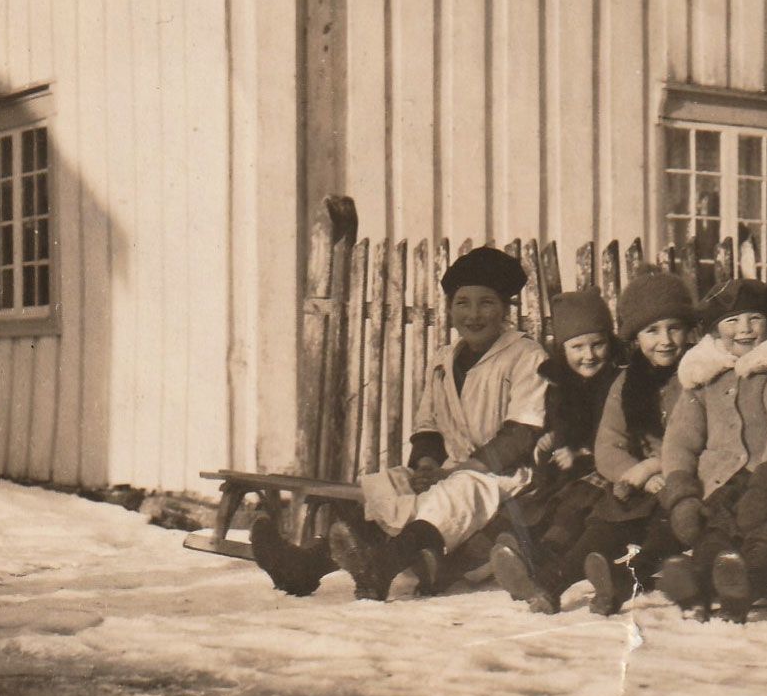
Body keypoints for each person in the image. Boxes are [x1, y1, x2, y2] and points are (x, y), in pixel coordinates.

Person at [249, 246, 550, 601]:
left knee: (460, 490)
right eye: (462, 303)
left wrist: (462, 470)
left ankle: (380, 568)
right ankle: (305, 567)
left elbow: (522, 432)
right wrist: (425, 464)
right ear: (450, 308)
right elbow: (428, 426)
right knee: (390, 483)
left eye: (486, 303)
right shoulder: (443, 360)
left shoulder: (525, 356)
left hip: (504, 477)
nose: (473, 314)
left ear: (504, 309)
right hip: (453, 470)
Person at [492, 271, 697, 615]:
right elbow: (608, 447)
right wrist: (639, 472)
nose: (665, 340)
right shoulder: (628, 382)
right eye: (652, 330)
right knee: (605, 520)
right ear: (635, 336)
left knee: (666, 526)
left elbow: (698, 439)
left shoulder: (696, 376)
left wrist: (656, 467)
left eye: (674, 328)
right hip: (639, 481)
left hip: (685, 481)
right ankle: (551, 582)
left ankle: (618, 581)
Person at [655, 278, 767, 623]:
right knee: (715, 533)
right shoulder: (702, 374)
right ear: (715, 330)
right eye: (732, 321)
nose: (744, 330)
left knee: (766, 534)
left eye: (754, 319)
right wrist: (681, 491)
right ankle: (695, 584)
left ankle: (746, 586)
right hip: (719, 480)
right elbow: (680, 437)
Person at [488, 289, 622, 613]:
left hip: (602, 469)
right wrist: (548, 442)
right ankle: (523, 557)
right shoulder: (561, 386)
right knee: (543, 506)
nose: (588, 355)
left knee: (572, 509)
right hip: (566, 472)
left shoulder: (617, 381)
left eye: (597, 344)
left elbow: (617, 433)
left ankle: (537, 565)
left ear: (609, 341)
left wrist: (583, 453)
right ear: (563, 349)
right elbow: (559, 425)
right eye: (577, 347)